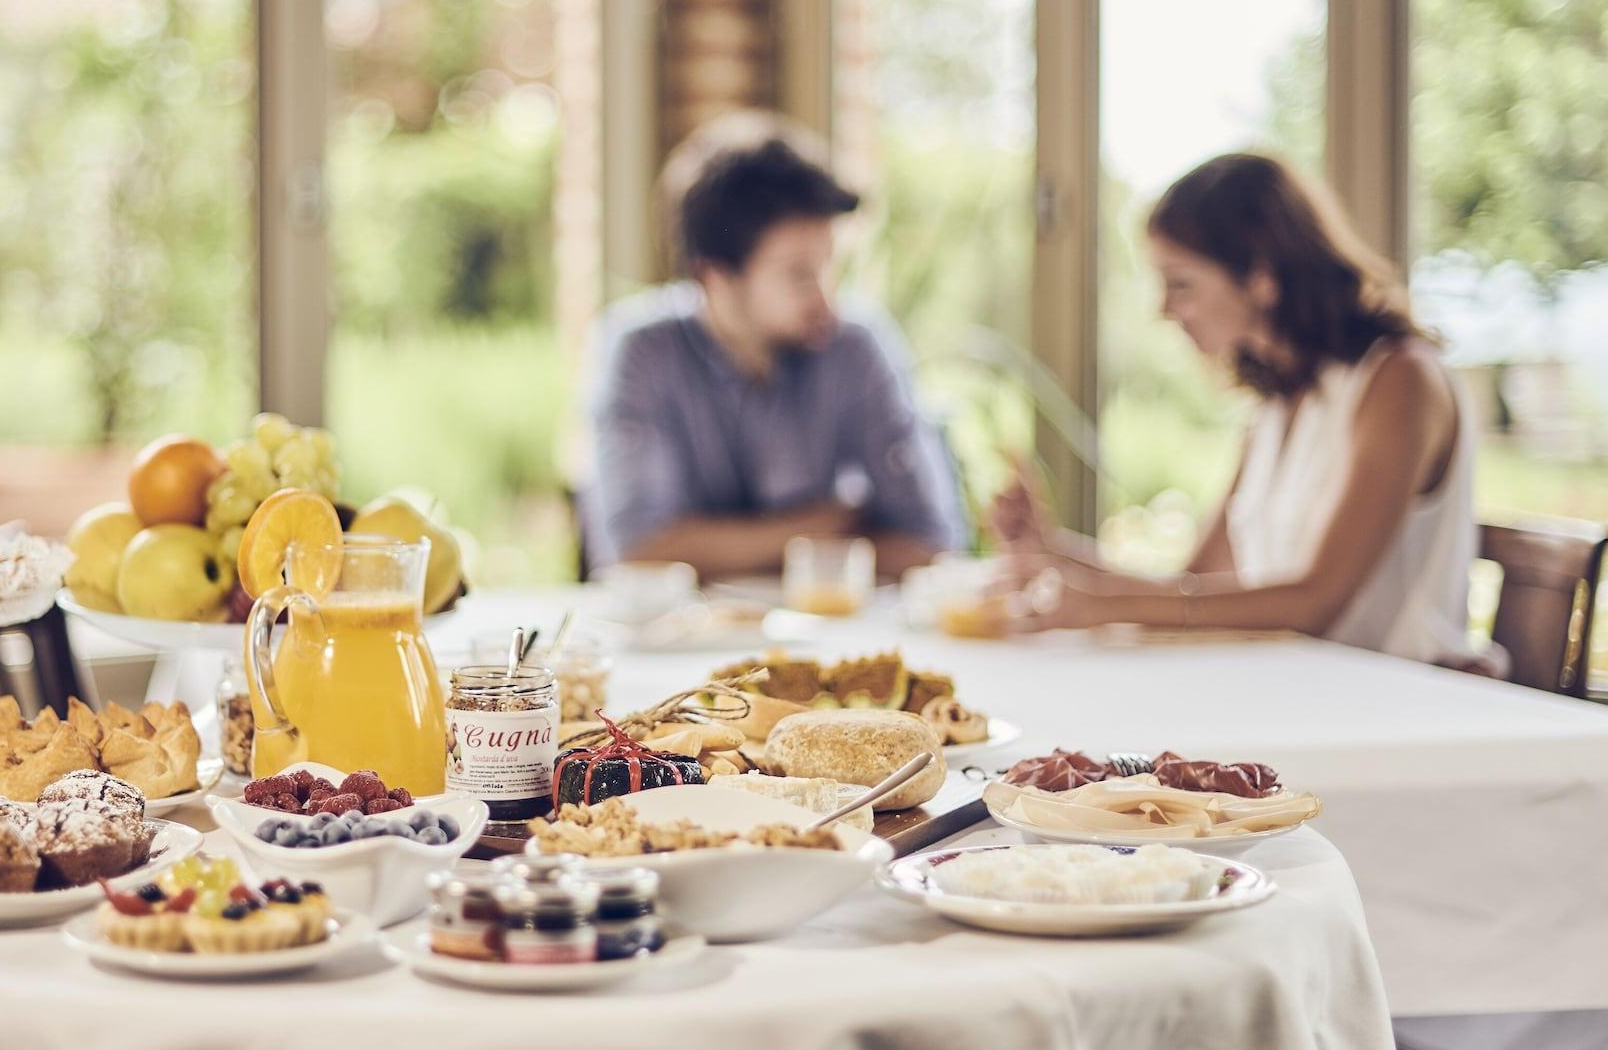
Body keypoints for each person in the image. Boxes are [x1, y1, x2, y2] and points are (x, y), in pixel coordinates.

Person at [992, 152, 1484, 667]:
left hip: (1402, 706)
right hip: (1302, 692)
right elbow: (1197, 585)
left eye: (1181, 283)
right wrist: (1052, 550)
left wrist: (1105, 605)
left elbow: (1316, 603)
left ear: (1261, 277)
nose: (1163, 309)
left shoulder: (1400, 382)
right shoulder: (1279, 405)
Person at [581, 111, 966, 580]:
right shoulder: (640, 351)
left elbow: (930, 543)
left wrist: (713, 545)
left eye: (830, 267)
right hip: (687, 649)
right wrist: (824, 525)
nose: (826, 300)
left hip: (835, 639)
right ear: (714, 277)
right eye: (798, 276)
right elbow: (637, 553)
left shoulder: (858, 346)